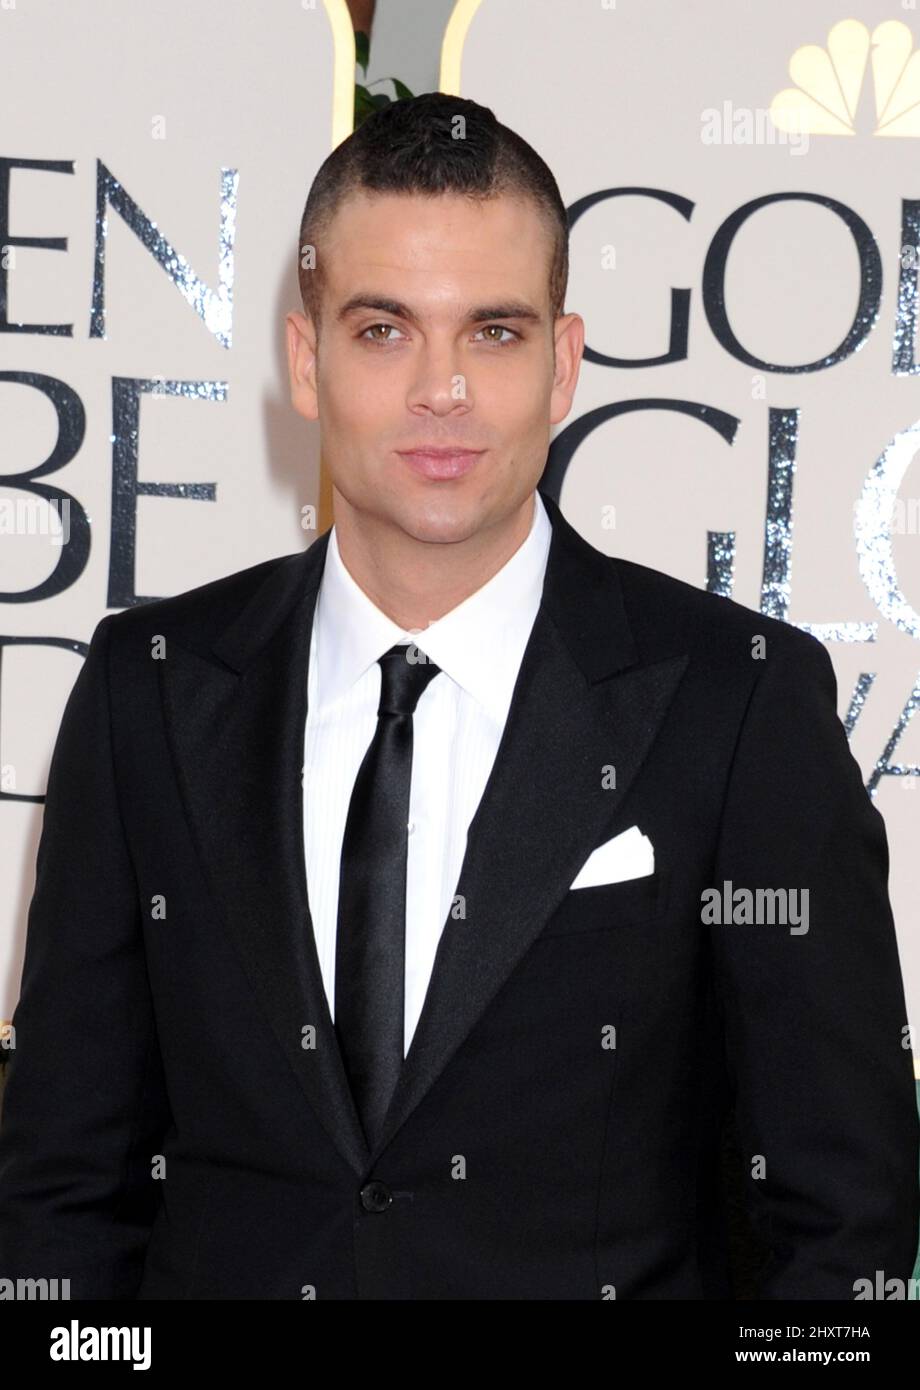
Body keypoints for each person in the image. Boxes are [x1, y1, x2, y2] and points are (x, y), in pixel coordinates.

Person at [0, 93, 917, 1300]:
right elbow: (64, 1183)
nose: (442, 389)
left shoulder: (734, 702)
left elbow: (839, 1212)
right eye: (383, 330)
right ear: (306, 360)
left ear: (562, 363)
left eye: (492, 332)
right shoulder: (149, 688)